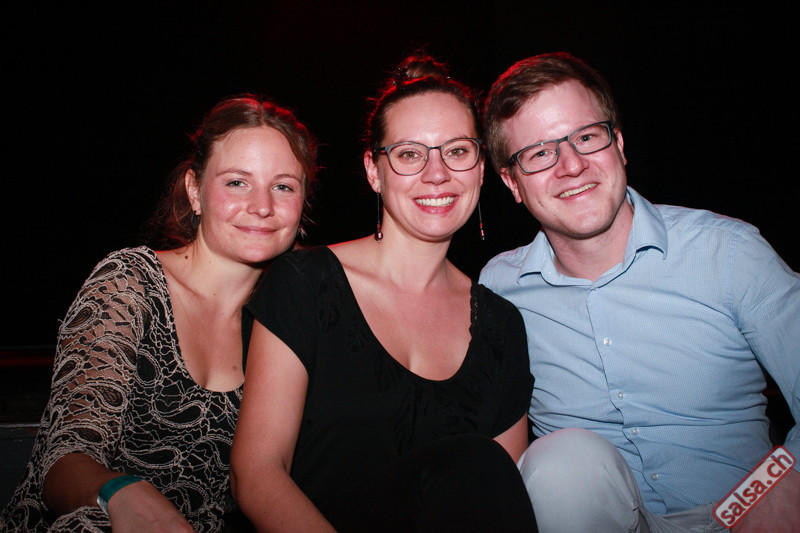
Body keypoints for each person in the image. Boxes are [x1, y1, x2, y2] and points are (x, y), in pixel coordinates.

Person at [479, 51, 800, 532]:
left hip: (746, 517)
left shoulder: (727, 252)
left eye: (587, 137)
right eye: (540, 153)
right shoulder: (498, 290)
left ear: (619, 145)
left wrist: (785, 482)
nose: (571, 165)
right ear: (512, 183)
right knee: (560, 460)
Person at [230, 54, 537, 532]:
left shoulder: (501, 324)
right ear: (374, 171)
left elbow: (500, 499)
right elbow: (256, 473)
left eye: (457, 151)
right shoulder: (305, 282)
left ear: (480, 169)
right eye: (410, 154)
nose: (437, 173)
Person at [0, 95, 317, 532]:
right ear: (195, 190)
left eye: (283, 186)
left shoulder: (292, 317)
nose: (262, 206)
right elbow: (65, 459)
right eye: (237, 182)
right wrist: (118, 492)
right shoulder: (129, 284)